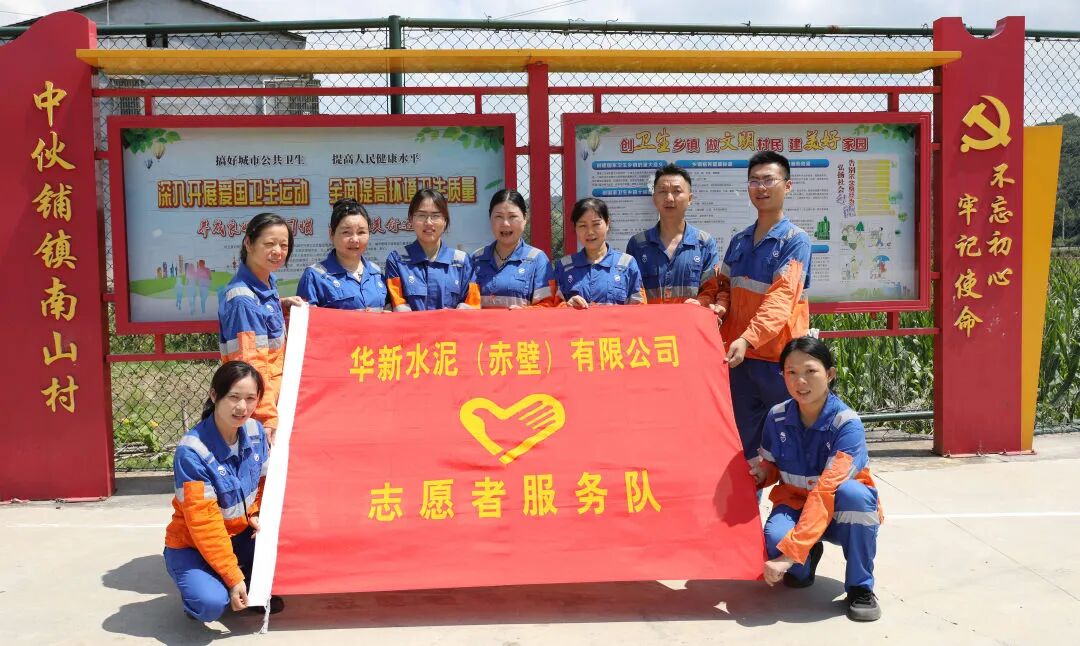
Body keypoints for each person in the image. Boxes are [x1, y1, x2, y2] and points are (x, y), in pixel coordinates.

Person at [753, 337, 882, 622]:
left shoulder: (847, 424)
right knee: (776, 542)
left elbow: (827, 490)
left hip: (837, 510)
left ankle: (860, 587)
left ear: (830, 374)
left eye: (810, 371)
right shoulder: (776, 417)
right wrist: (760, 474)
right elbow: (771, 465)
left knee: (856, 496)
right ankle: (807, 558)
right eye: (791, 372)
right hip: (795, 503)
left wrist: (789, 556)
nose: (800, 381)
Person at [163, 361, 284, 622]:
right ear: (214, 395)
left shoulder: (255, 432)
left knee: (289, 569)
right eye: (233, 397)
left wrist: (255, 512)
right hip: (193, 545)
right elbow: (204, 524)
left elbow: (265, 483)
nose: (242, 407)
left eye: (250, 398)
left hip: (240, 536)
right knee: (210, 604)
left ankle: (236, 578)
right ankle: (204, 587)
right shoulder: (192, 452)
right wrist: (232, 575)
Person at [716, 151, 812, 459]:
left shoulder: (795, 241)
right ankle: (750, 493)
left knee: (788, 442)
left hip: (779, 360)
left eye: (769, 180)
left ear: (787, 186)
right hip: (741, 361)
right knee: (743, 446)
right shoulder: (739, 241)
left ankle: (790, 493)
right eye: (754, 181)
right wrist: (716, 307)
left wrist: (747, 338)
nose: (761, 187)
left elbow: (781, 299)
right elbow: (724, 288)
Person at [218, 213, 304, 444]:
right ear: (248, 243)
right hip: (260, 409)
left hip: (274, 396)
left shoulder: (265, 283)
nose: (277, 251)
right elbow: (251, 365)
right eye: (269, 244)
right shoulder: (243, 300)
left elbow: (263, 326)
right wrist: (266, 418)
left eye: (284, 245)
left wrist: (282, 305)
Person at [625, 163, 721, 310]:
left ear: (690, 199)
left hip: (689, 322)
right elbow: (632, 291)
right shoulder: (637, 244)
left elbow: (711, 290)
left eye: (677, 191)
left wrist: (700, 303)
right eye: (663, 191)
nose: (669, 198)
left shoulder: (704, 243)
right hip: (650, 324)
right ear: (654, 199)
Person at [385, 188, 481, 311]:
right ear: (411, 219)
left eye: (435, 216)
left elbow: (472, 306)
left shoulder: (462, 262)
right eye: (421, 215)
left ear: (445, 221)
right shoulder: (397, 260)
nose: (429, 222)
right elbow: (397, 305)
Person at [296, 198, 388, 311]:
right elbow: (305, 319)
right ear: (331, 234)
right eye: (346, 232)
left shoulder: (376, 273)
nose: (355, 239)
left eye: (361, 232)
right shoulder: (314, 276)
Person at [472, 189, 559, 309]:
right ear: (490, 218)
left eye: (512, 216)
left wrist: (524, 313)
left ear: (525, 218)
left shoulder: (537, 259)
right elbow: (468, 302)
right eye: (498, 216)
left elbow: (548, 304)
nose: (505, 223)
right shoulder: (476, 258)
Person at [554, 197, 646, 307]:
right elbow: (554, 307)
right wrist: (567, 306)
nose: (590, 232)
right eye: (583, 225)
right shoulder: (564, 266)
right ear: (575, 228)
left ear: (607, 224)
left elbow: (640, 308)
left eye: (596, 224)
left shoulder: (627, 263)